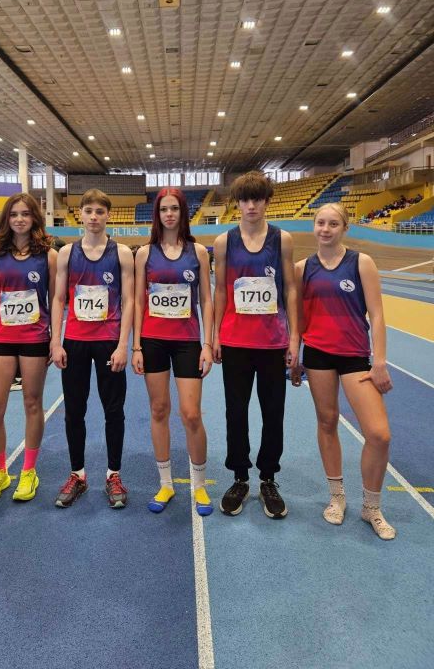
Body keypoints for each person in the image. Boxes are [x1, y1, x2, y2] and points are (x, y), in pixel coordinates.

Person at [293, 203, 395, 539]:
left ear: (345, 228)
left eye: (333, 224)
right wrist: (295, 354)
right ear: (314, 226)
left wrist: (379, 361)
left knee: (379, 434)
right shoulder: (302, 268)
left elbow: (377, 315)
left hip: (355, 356)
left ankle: (371, 507)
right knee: (327, 422)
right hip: (318, 355)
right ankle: (336, 497)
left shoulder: (361, 263)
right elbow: (298, 317)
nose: (325, 229)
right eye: (320, 223)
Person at [213, 171, 298, 519]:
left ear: (266, 201)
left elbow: (290, 289)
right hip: (235, 341)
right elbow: (220, 291)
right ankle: (239, 477)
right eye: (245, 199)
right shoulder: (224, 242)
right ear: (238, 203)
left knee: (272, 412)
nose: (251, 205)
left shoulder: (282, 239)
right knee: (236, 412)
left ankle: (268, 478)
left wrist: (294, 338)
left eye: (257, 199)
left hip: (272, 342)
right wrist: (215, 335)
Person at [132, 188, 214, 516]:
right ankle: (166, 483)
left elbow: (206, 299)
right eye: (164, 209)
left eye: (174, 209)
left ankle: (200, 484)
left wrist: (207, 343)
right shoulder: (145, 253)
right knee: (159, 409)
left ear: (183, 213)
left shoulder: (198, 252)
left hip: (187, 341)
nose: (169, 214)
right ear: (157, 214)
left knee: (191, 414)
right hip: (152, 339)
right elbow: (138, 301)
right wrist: (136, 345)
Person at [51, 189, 134, 508]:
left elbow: (129, 301)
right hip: (75, 342)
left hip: (109, 342)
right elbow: (59, 299)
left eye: (100, 211)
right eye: (89, 211)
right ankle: (78, 475)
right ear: (81, 215)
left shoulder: (121, 253)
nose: (94, 217)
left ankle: (114, 475)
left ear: (108, 215)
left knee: (114, 411)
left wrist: (123, 344)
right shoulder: (66, 253)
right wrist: (55, 341)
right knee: (75, 411)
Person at [0, 194, 56, 502]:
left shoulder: (48, 256)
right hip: (2, 339)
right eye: (13, 214)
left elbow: (56, 299)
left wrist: (55, 339)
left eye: (25, 214)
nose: (19, 219)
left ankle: (28, 471)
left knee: (32, 404)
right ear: (6, 219)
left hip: (35, 339)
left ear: (34, 217)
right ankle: (0, 471)